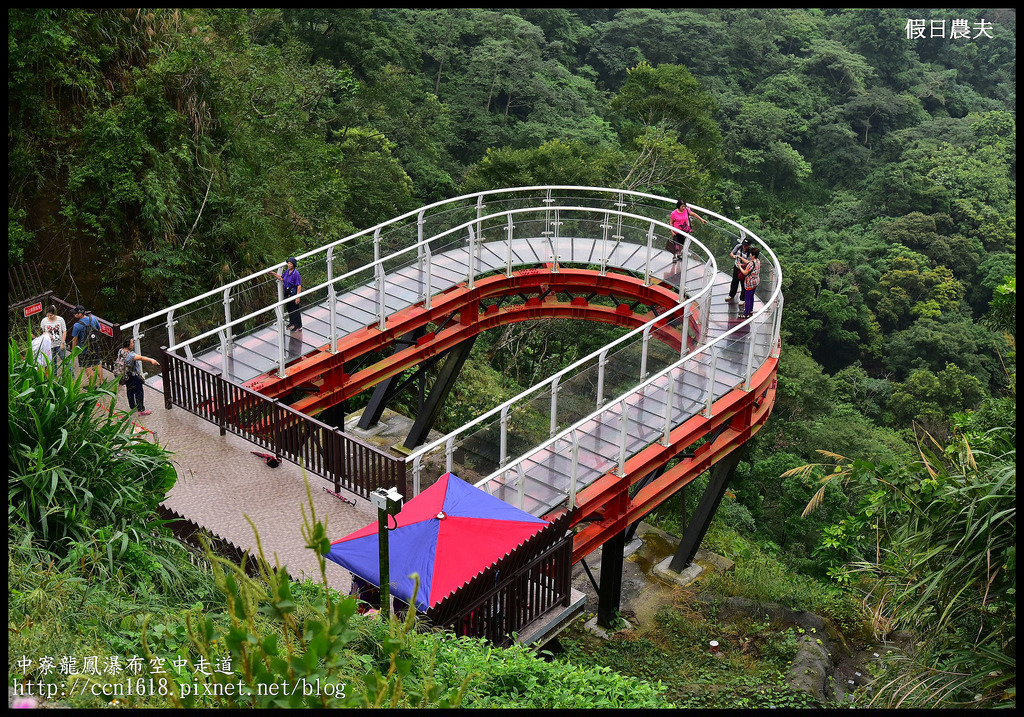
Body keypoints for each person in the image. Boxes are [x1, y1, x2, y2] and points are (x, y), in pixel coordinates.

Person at [116, 336, 160, 416]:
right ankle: (141, 409)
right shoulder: (130, 355)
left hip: (125, 376)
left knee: (129, 390)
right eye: (132, 343)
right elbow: (141, 358)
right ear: (128, 344)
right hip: (133, 376)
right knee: (139, 392)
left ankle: (132, 406)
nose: (133, 344)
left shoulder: (120, 351)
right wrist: (151, 360)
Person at [71, 304, 104, 386]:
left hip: (84, 349)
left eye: (75, 313)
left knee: (88, 367)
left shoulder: (77, 325)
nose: (74, 314)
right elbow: (100, 330)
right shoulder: (93, 319)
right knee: (97, 363)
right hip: (95, 346)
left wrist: (73, 350)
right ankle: (102, 381)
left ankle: (92, 385)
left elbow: (74, 340)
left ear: (80, 314)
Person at [269, 257, 302, 331]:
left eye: (290, 264)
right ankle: (292, 322)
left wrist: (298, 297)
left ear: (293, 265)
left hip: (293, 292)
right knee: (289, 308)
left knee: (295, 309)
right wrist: (274, 274)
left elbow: (299, 286)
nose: (289, 265)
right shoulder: (287, 271)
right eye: (288, 263)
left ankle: (298, 325)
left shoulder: (295, 273)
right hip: (287, 292)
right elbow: (281, 278)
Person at [726, 238, 752, 303]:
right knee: (734, 281)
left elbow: (748, 262)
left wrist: (740, 258)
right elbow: (731, 253)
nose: (744, 247)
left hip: (744, 269)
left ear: (749, 245)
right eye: (743, 245)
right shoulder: (738, 246)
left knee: (743, 284)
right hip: (737, 267)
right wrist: (734, 256)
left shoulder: (750, 252)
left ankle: (742, 298)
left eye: (746, 246)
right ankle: (731, 294)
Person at [738, 246, 761, 318]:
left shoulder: (751, 264)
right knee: (751, 296)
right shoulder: (757, 261)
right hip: (755, 282)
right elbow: (749, 263)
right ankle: (750, 310)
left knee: (747, 297)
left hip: (749, 283)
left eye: (751, 254)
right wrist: (741, 258)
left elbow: (745, 273)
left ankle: (746, 313)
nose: (750, 255)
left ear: (753, 255)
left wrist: (739, 266)